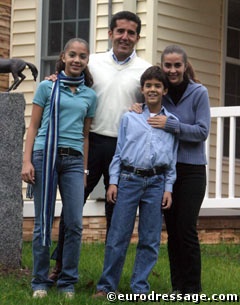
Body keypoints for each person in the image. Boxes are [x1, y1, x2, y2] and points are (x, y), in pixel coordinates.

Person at [49, 10, 151, 281]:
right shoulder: (92, 62)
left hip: (125, 149)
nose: (125, 37)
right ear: (110, 33)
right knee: (73, 208)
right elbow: (67, 76)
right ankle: (59, 266)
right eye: (120, 31)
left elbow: (154, 104)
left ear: (137, 37)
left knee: (117, 217)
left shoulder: (145, 70)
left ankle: (109, 279)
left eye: (131, 33)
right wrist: (53, 78)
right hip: (89, 144)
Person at [131, 45, 211, 295]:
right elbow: (144, 106)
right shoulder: (160, 92)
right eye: (168, 65)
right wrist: (136, 108)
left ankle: (193, 288)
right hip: (165, 171)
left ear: (185, 66)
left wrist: (172, 124)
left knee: (186, 229)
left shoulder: (199, 93)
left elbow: (202, 131)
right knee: (173, 230)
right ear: (162, 66)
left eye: (177, 65)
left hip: (193, 170)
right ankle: (178, 287)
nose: (173, 70)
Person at [93, 65, 178, 298]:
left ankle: (139, 288)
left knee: (150, 239)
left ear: (164, 91)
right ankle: (106, 286)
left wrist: (168, 188)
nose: (152, 89)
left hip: (156, 183)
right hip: (129, 180)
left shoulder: (170, 122)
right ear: (142, 89)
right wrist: (113, 182)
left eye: (157, 86)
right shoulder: (130, 117)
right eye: (148, 85)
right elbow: (119, 153)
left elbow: (172, 159)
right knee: (118, 235)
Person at [21, 38, 97, 299]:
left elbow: (86, 135)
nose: (77, 60)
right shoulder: (46, 86)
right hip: (45, 155)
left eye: (82, 56)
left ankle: (67, 281)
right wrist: (26, 160)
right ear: (63, 56)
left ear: (87, 61)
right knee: (43, 221)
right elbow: (32, 126)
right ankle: (40, 281)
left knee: (75, 222)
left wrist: (86, 170)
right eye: (72, 55)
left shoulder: (90, 95)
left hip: (74, 160)